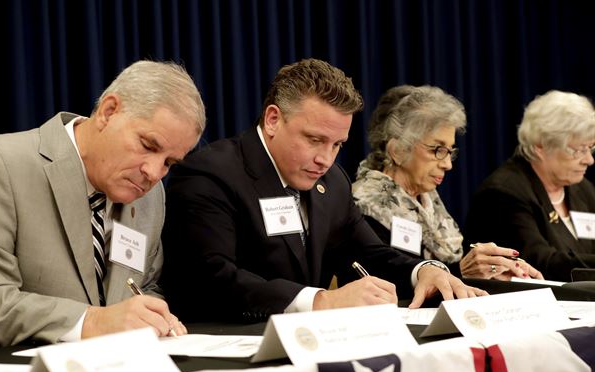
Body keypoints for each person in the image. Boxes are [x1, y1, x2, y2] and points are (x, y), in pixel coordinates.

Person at [161, 58, 486, 322]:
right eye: (314, 140)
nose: (325, 159)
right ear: (273, 119)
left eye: (337, 145)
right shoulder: (210, 174)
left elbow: (368, 253)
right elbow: (212, 279)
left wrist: (422, 271)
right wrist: (320, 300)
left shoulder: (332, 182)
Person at [0, 60, 206, 351]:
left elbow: (146, 285)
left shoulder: (151, 196)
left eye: (169, 163)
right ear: (108, 112)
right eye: (148, 145)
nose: (154, 172)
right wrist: (93, 322)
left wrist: (152, 318)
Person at [352, 85, 542, 280]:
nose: (447, 164)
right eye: (437, 150)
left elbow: (451, 269)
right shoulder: (364, 206)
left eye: (450, 151)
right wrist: (462, 273)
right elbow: (388, 279)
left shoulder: (428, 202)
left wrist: (492, 271)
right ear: (398, 150)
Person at [464, 90, 595, 281]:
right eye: (579, 150)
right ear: (540, 147)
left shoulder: (582, 188)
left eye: (590, 148)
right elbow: (540, 262)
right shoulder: (504, 192)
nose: (589, 160)